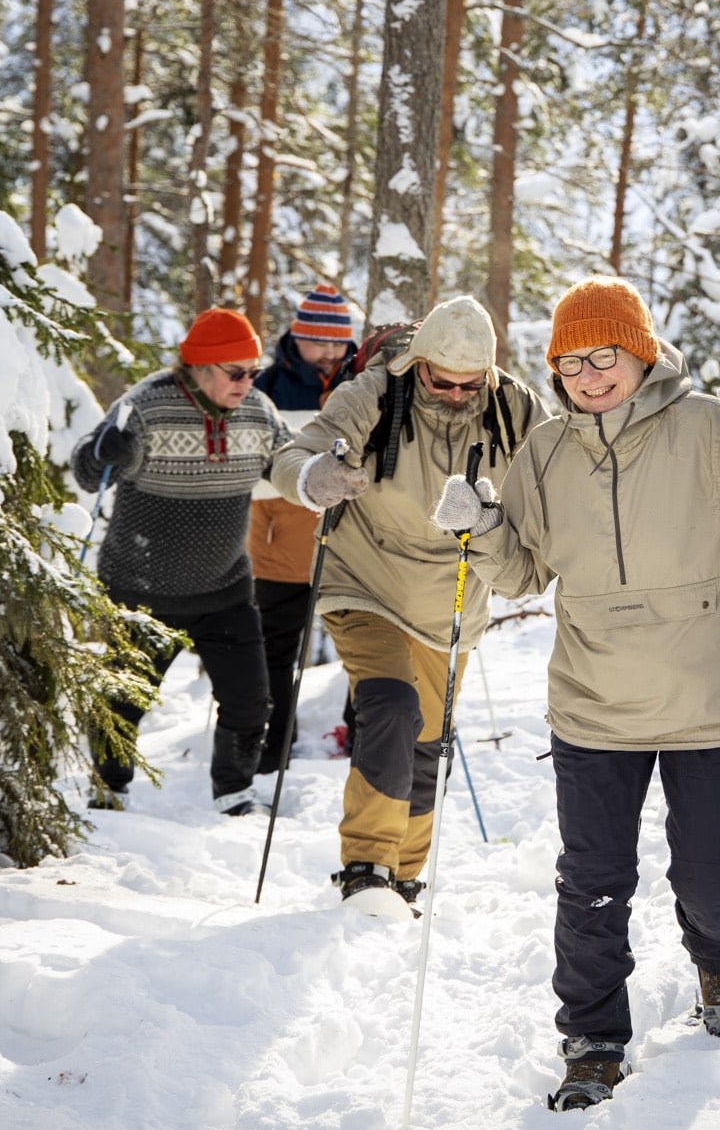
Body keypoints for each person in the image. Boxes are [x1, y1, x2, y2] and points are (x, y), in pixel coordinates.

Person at [429, 277, 720, 1110]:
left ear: (641, 351)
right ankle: (592, 1039)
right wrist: (481, 525)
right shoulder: (544, 452)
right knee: (593, 883)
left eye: (603, 355)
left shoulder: (707, 428)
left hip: (711, 698)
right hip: (594, 704)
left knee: (712, 872)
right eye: (569, 361)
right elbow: (520, 572)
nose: (587, 375)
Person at [272, 296, 545, 916]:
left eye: (467, 383)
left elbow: (566, 464)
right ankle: (365, 866)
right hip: (363, 578)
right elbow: (294, 453)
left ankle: (404, 877)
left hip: (451, 595)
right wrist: (313, 476)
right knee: (390, 707)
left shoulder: (514, 407)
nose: (453, 393)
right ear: (416, 363)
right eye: (438, 380)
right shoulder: (374, 393)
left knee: (428, 740)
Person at [71, 307, 291, 815]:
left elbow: (287, 461)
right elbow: (88, 470)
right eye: (236, 373)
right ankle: (109, 789)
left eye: (253, 371)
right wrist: (104, 451)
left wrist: (321, 474)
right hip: (141, 587)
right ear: (201, 368)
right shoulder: (146, 407)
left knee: (250, 700)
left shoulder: (258, 412)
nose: (247, 383)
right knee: (123, 701)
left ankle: (235, 794)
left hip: (226, 588)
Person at [246, 284, 359, 773]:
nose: (331, 351)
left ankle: (362, 738)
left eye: (338, 343)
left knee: (363, 645)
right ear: (299, 337)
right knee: (275, 649)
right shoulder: (267, 384)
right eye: (321, 342)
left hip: (352, 536)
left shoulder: (361, 380)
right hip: (281, 536)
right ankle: (270, 748)